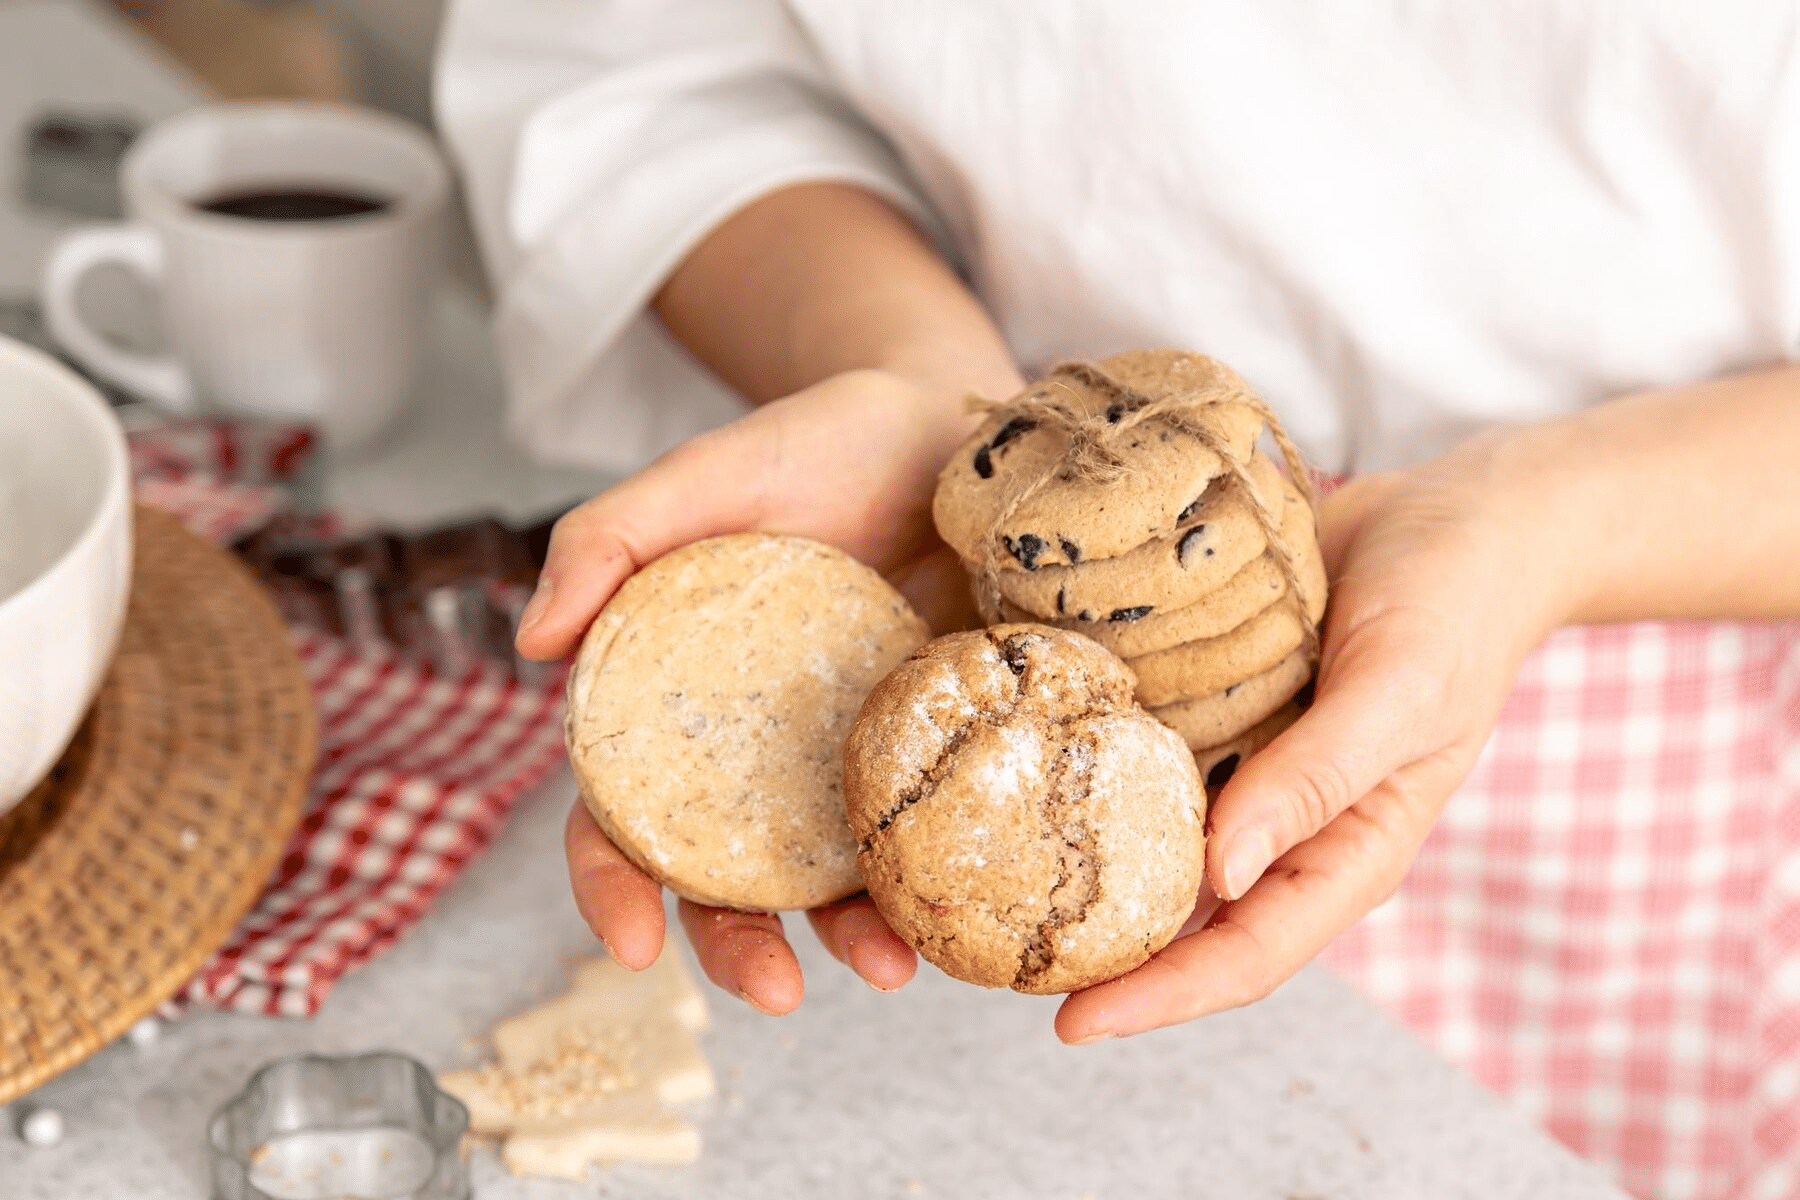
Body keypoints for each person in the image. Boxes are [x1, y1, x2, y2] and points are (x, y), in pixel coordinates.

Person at [435, 6, 1800, 1196]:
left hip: (1646, 715)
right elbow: (652, 77)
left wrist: (1543, 528)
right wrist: (917, 373)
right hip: (963, 590)